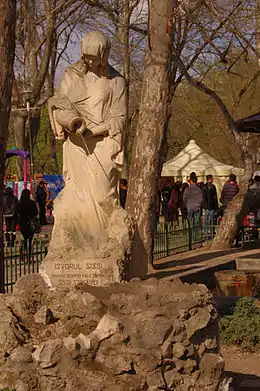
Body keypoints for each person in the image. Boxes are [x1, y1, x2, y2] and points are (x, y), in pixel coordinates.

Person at [47, 31, 127, 257]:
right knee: (73, 203)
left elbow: (119, 117)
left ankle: (104, 251)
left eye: (93, 57)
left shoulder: (116, 81)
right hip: (75, 144)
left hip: (101, 144)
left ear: (104, 55)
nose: (88, 61)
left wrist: (94, 131)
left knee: (102, 197)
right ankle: (75, 253)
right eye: (86, 56)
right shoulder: (71, 75)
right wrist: (66, 119)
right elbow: (59, 103)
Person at [18, 189, 38, 259]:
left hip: (22, 223)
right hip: (30, 223)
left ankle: (23, 250)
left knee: (25, 238)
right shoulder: (32, 203)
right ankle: (28, 255)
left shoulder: (20, 203)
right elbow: (36, 212)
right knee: (30, 239)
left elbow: (18, 212)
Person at [183, 173, 203, 240]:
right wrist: (198, 204)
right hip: (197, 207)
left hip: (189, 207)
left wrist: (187, 204)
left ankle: (190, 237)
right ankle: (194, 236)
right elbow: (201, 199)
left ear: (191, 181)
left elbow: (184, 198)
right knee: (196, 223)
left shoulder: (187, 189)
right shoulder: (198, 189)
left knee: (190, 223)